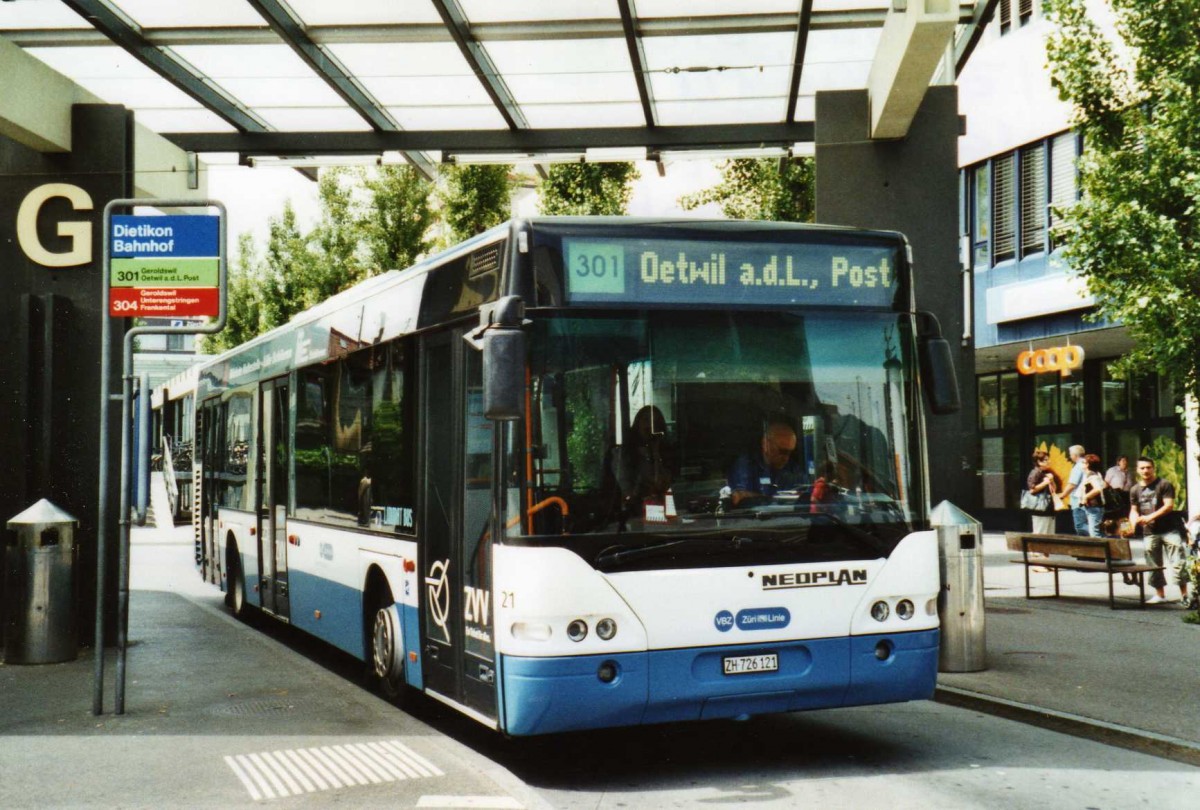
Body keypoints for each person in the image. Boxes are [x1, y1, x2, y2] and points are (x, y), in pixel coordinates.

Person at [1129, 457, 1190, 606]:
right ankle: (1160, 595)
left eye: (1148, 467)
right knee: (1153, 563)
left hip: (1169, 530)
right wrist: (1133, 523)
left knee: (1178, 562)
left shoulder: (1164, 484)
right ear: (1137, 470)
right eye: (1142, 468)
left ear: (1154, 468)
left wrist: (1149, 517)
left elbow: (1168, 506)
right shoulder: (1135, 489)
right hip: (1150, 532)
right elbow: (1134, 510)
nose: (1146, 470)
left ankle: (1184, 595)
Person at [728, 418, 807, 507]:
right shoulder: (746, 467)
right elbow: (739, 498)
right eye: (782, 451)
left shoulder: (794, 472)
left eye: (790, 453)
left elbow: (804, 501)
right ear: (765, 444)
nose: (786, 458)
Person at [1024, 450, 1057, 535]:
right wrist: (1044, 483)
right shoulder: (1035, 472)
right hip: (1040, 509)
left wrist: (1052, 481)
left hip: (1049, 509)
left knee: (1050, 535)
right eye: (1046, 460)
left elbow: (1054, 490)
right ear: (1039, 462)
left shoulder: (1046, 472)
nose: (1048, 461)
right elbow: (1032, 490)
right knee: (1040, 534)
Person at [1059, 444, 1089, 536]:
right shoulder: (1087, 464)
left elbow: (1072, 484)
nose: (1070, 456)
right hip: (1087, 498)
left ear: (1075, 455)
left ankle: (1098, 535)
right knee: (1086, 523)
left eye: (1070, 454)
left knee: (1080, 526)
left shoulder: (1078, 467)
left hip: (1078, 500)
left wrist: (1062, 495)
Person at [1079, 454, 1107, 538]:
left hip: (1094, 507)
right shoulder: (1095, 474)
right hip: (1093, 507)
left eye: (1083, 462)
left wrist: (1086, 497)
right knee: (1096, 530)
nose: (1081, 465)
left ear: (1087, 465)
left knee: (1094, 533)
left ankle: (1099, 550)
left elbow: (1098, 489)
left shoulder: (1092, 475)